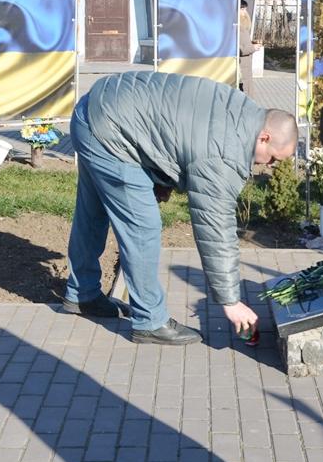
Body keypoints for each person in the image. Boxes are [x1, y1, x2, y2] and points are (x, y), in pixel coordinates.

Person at [62, 71, 297, 345]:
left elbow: (179, 132)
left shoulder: (242, 110)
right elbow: (216, 229)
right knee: (143, 228)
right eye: (272, 159)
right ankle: (150, 321)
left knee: (92, 214)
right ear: (265, 138)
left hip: (94, 110)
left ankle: (82, 294)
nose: (268, 166)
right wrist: (231, 301)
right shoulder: (226, 152)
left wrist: (162, 177)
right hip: (111, 134)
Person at [238, 0, 256, 96]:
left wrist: (252, 43)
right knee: (243, 93)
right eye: (242, 9)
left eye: (245, 9)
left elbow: (243, 43)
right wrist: (253, 47)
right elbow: (238, 49)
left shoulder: (243, 27)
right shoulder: (235, 26)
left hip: (246, 66)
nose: (244, 12)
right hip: (240, 67)